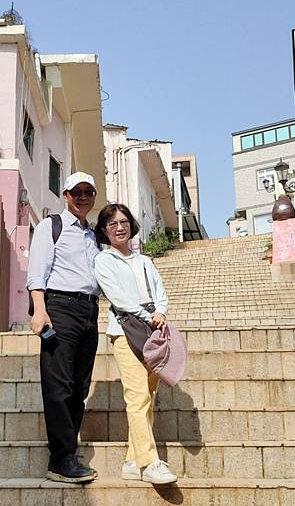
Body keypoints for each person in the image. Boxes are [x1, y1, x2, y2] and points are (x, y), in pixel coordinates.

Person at [94, 203, 177, 485]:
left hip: (154, 329)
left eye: (124, 221)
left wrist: (161, 312)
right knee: (137, 395)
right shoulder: (103, 261)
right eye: (113, 224)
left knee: (149, 395)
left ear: (131, 225)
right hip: (125, 330)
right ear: (104, 231)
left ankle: (132, 460)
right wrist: (147, 315)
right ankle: (150, 462)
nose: (120, 227)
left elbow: (160, 289)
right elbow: (118, 298)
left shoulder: (143, 260)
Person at [27, 172, 100, 483]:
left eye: (88, 192)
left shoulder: (94, 235)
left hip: (89, 311)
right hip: (59, 307)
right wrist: (39, 311)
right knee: (59, 386)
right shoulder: (51, 226)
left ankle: (68, 452)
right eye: (76, 192)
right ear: (66, 195)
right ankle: (60, 459)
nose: (82, 197)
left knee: (80, 388)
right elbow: (37, 271)